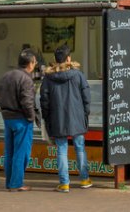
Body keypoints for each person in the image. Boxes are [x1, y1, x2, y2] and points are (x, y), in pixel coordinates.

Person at [39, 45, 92, 192]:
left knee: (61, 150)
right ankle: (84, 179)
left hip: (58, 119)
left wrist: (46, 117)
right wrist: (86, 113)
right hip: (77, 117)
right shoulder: (78, 75)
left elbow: (44, 100)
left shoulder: (48, 78)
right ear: (68, 59)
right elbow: (86, 96)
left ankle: (64, 183)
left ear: (55, 60)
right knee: (80, 148)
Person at [0, 50, 39, 191]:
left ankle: (9, 182)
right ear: (30, 63)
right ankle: (17, 183)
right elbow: (27, 102)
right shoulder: (26, 79)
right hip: (21, 119)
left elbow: (0, 97)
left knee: (9, 151)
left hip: (7, 118)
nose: (35, 65)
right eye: (34, 62)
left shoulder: (6, 76)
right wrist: (31, 117)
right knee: (22, 152)